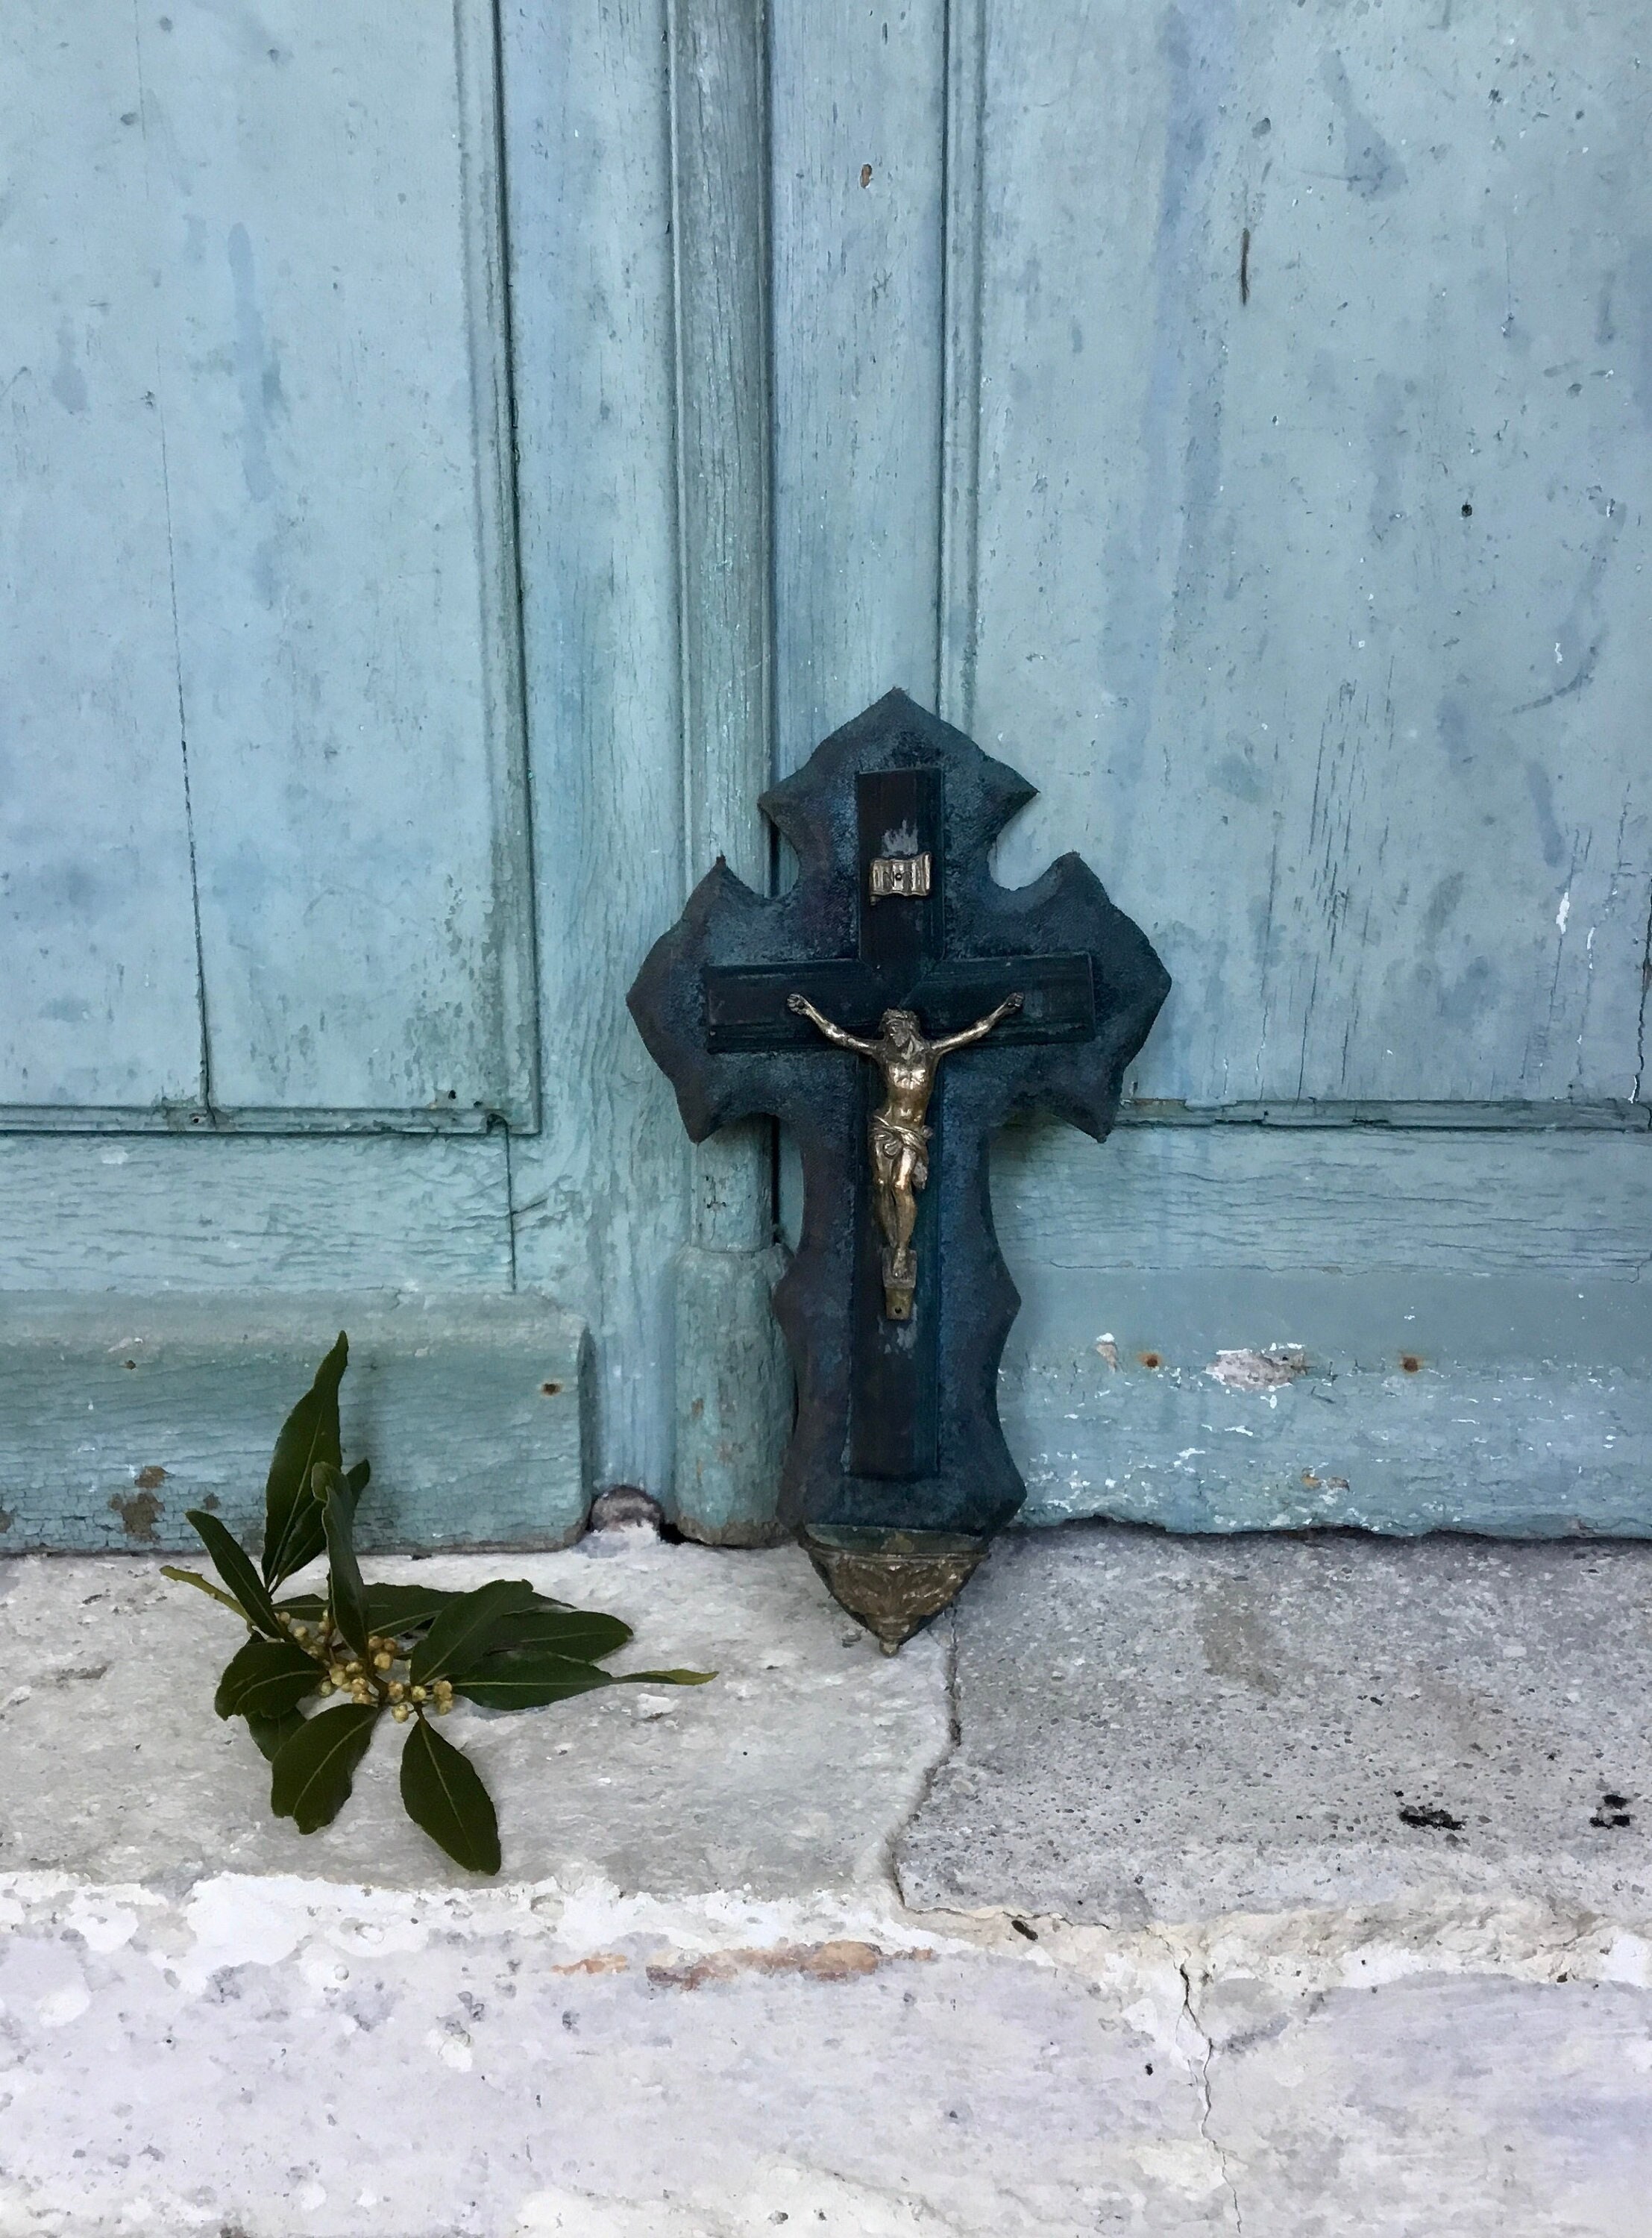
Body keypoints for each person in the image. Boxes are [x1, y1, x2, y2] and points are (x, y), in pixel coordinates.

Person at [785, 991, 1023, 1318]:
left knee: (901, 1186)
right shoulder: (883, 1053)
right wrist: (810, 1011)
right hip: (884, 1126)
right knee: (881, 1184)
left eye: (897, 1030)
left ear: (909, 1028)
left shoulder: (931, 1052)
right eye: (889, 1032)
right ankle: (891, 1237)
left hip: (912, 1132)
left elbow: (975, 1031)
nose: (893, 1036)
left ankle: (900, 1250)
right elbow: (842, 1037)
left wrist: (1003, 1011)